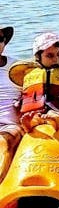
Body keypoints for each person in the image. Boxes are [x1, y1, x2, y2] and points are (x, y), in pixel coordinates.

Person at [8, 32, 59, 132]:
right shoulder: (30, 73)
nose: (56, 59)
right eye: (49, 56)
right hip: (36, 112)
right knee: (34, 116)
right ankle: (30, 123)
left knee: (56, 116)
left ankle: (53, 121)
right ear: (38, 57)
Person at [0, 25, 22, 179]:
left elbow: (32, 95)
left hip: (10, 125)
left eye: (0, 39)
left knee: (4, 141)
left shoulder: (17, 68)